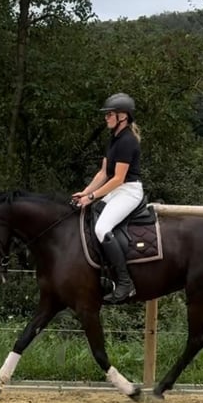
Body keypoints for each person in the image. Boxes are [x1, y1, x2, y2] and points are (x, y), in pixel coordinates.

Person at [72, 92, 143, 303]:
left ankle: (125, 282)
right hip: (117, 190)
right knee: (90, 215)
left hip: (128, 191)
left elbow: (118, 178)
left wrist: (92, 195)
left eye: (109, 114)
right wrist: (84, 193)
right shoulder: (114, 138)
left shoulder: (127, 141)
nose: (106, 118)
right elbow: (103, 173)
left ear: (122, 116)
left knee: (102, 228)